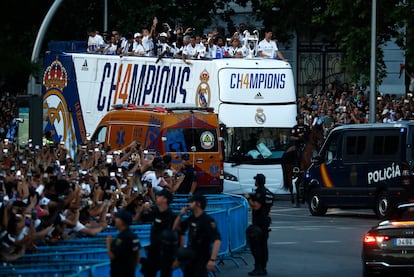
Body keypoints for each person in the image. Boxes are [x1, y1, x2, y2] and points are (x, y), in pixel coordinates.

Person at [173, 194, 221, 277]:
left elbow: (217, 240)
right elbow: (176, 228)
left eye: (191, 202)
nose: (189, 204)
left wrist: (212, 259)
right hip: (190, 256)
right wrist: (180, 215)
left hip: (202, 256)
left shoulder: (207, 220)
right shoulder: (191, 218)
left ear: (198, 204)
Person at [138, 189, 177, 277]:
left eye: (159, 196)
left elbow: (179, 235)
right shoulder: (154, 212)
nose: (157, 197)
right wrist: (142, 209)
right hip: (153, 252)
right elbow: (137, 220)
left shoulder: (172, 216)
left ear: (165, 199)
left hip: (166, 253)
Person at [244, 174, 273, 276]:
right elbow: (269, 209)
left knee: (256, 247)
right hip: (265, 223)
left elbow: (256, 206)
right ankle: (263, 267)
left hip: (259, 223)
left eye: (256, 180)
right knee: (263, 247)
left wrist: (248, 199)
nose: (254, 181)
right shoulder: (269, 193)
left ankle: (258, 268)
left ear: (258, 181)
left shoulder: (260, 192)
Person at [106, 209, 141, 277]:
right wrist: (132, 269)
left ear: (122, 221)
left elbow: (112, 255)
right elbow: (138, 255)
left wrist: (108, 243)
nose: (115, 219)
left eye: (117, 218)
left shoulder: (122, 238)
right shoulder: (134, 236)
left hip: (120, 272)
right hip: (130, 272)